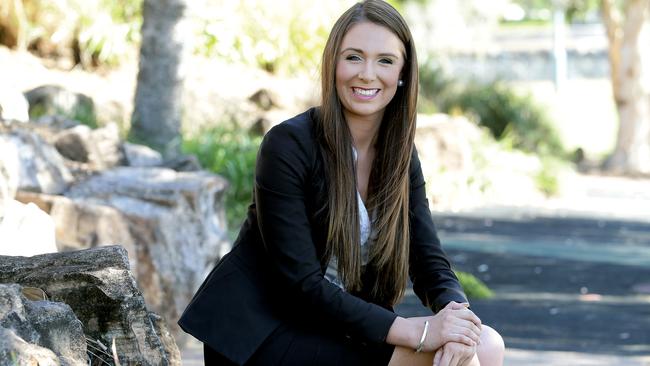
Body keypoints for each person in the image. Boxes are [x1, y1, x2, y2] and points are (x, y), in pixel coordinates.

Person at [178, 1, 505, 365]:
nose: (367, 74)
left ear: (402, 73)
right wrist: (418, 331)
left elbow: (429, 261)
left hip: (337, 325)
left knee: (486, 344)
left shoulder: (399, 154)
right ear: (333, 64)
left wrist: (458, 320)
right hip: (265, 331)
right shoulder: (288, 144)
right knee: (439, 358)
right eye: (353, 57)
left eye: (384, 60)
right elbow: (302, 285)